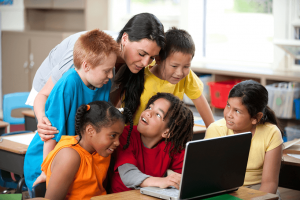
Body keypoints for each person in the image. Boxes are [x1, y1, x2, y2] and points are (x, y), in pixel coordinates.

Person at [29, 13, 165, 140]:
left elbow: (105, 105)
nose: (146, 63)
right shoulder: (89, 53)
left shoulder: (128, 64)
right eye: (142, 54)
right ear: (125, 39)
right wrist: (42, 120)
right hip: (46, 93)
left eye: (152, 57)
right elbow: (43, 95)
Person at [24, 29, 120, 196]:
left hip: (75, 159)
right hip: (47, 161)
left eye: (112, 69)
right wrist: (47, 172)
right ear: (86, 66)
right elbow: (50, 134)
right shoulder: (68, 84)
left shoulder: (103, 82)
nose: (110, 75)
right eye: (106, 70)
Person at [204, 80, 283, 195]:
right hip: (223, 189)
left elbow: (269, 183)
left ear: (256, 117)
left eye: (237, 111)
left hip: (257, 189)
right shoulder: (216, 130)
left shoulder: (271, 133)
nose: (229, 114)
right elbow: (209, 176)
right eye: (228, 105)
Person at [42, 101, 133, 200]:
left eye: (118, 136)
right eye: (113, 135)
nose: (117, 143)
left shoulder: (101, 150)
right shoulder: (69, 156)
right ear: (90, 131)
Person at [111, 93, 194, 193]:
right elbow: (128, 175)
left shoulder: (170, 146)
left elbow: (190, 174)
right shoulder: (125, 134)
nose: (148, 113)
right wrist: (161, 181)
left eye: (158, 114)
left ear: (167, 132)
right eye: (150, 107)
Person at [132, 27, 214, 127]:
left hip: (166, 134)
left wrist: (213, 132)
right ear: (158, 59)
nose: (179, 73)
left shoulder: (186, 76)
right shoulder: (141, 75)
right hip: (136, 135)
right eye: (174, 66)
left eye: (186, 66)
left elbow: (200, 101)